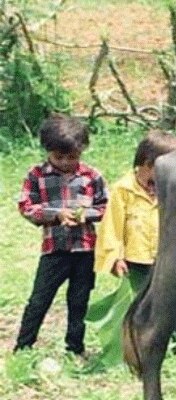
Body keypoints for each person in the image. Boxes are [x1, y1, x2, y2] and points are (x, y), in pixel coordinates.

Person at [14, 114, 108, 357]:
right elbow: (26, 206)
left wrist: (85, 215)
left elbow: (105, 207)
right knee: (39, 301)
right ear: (47, 150)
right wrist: (56, 215)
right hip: (54, 250)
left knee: (79, 302)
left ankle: (75, 348)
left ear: (82, 150)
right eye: (59, 157)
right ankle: (24, 347)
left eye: (73, 157)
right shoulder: (36, 176)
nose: (66, 162)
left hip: (84, 249)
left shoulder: (92, 176)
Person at [93, 130, 176, 348]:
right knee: (142, 304)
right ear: (147, 164)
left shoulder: (173, 190)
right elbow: (113, 226)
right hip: (136, 260)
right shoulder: (123, 190)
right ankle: (142, 344)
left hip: (166, 258)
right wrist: (115, 257)